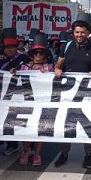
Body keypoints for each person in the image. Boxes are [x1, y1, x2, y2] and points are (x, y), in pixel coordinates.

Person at [53, 13, 91, 168]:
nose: (79, 34)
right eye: (77, 32)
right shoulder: (66, 46)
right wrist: (57, 70)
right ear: (73, 33)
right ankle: (64, 154)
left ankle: (88, 155)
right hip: (68, 93)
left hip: (88, 93)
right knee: (67, 124)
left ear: (88, 33)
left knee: (87, 124)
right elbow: (58, 65)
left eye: (82, 32)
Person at [13, 33, 53, 167]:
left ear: (45, 56)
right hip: (27, 102)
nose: (38, 56)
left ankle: (37, 154)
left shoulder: (49, 68)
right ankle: (25, 151)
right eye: (36, 53)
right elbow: (16, 80)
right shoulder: (24, 67)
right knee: (27, 129)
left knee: (40, 129)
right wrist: (14, 72)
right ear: (32, 55)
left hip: (42, 103)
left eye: (41, 53)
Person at [0, 27, 31, 156]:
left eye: (12, 47)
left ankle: (28, 146)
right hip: (6, 96)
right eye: (7, 47)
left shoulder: (25, 58)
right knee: (7, 122)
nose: (10, 49)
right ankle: (11, 145)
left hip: (22, 96)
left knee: (23, 121)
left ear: (16, 47)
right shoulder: (0, 61)